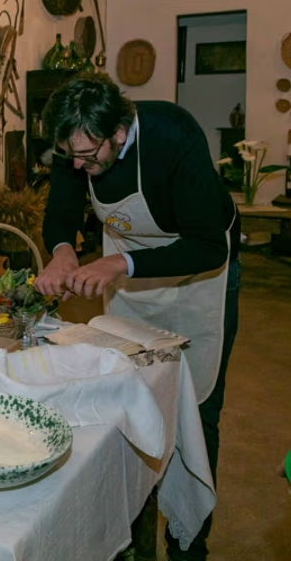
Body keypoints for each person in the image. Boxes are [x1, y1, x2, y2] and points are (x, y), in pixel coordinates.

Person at [35, 74, 240, 561]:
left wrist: (119, 263)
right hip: (129, 281)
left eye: (88, 156)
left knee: (196, 407)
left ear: (120, 133)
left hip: (199, 278)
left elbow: (208, 245)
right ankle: (131, 531)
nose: (78, 166)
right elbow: (62, 207)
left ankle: (188, 541)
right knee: (128, 396)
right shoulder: (77, 138)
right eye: (70, 157)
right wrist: (62, 251)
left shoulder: (174, 135)